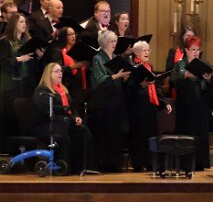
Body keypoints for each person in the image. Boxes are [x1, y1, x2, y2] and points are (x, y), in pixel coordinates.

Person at [33, 62, 94, 174]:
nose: (60, 73)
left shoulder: (63, 90)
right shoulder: (42, 90)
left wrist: (76, 117)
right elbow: (45, 108)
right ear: (49, 74)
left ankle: (81, 167)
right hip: (46, 124)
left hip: (64, 122)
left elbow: (71, 108)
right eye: (57, 71)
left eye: (61, 71)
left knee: (84, 132)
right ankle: (63, 168)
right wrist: (65, 110)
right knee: (64, 132)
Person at [88, 30, 130, 172]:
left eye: (115, 41)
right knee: (105, 133)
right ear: (105, 42)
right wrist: (116, 76)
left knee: (116, 133)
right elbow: (98, 79)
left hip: (116, 101)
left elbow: (120, 77)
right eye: (112, 41)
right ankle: (104, 164)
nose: (114, 44)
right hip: (103, 103)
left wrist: (124, 77)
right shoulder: (98, 58)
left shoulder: (116, 58)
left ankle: (115, 163)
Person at [170, 36, 213, 171]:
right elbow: (172, 81)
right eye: (193, 49)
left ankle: (200, 162)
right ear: (187, 50)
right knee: (186, 132)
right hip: (185, 106)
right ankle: (184, 163)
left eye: (197, 50)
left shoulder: (203, 63)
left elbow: (210, 85)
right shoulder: (180, 64)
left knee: (200, 133)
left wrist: (208, 80)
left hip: (200, 105)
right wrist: (185, 76)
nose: (196, 52)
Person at [127, 40, 172, 172]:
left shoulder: (149, 66)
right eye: (144, 50)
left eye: (148, 50)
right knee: (139, 136)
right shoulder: (132, 67)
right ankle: (139, 163)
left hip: (150, 107)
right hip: (138, 107)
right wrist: (140, 85)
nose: (147, 52)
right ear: (136, 53)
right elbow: (129, 88)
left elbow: (156, 87)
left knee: (152, 135)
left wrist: (164, 102)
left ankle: (151, 163)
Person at [0, 13, 42, 149]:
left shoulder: (27, 41)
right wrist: (18, 59)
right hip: (11, 86)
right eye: (21, 22)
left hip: (27, 84)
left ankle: (26, 148)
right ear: (14, 24)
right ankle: (10, 149)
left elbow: (33, 65)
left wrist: (39, 57)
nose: (24, 24)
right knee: (11, 117)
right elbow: (2, 62)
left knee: (25, 117)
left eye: (25, 22)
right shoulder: (5, 41)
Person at [41, 27, 89, 113]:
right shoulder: (57, 52)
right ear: (63, 36)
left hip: (80, 85)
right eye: (70, 34)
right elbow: (57, 69)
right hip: (68, 86)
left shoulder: (78, 49)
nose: (73, 36)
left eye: (74, 34)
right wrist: (73, 66)